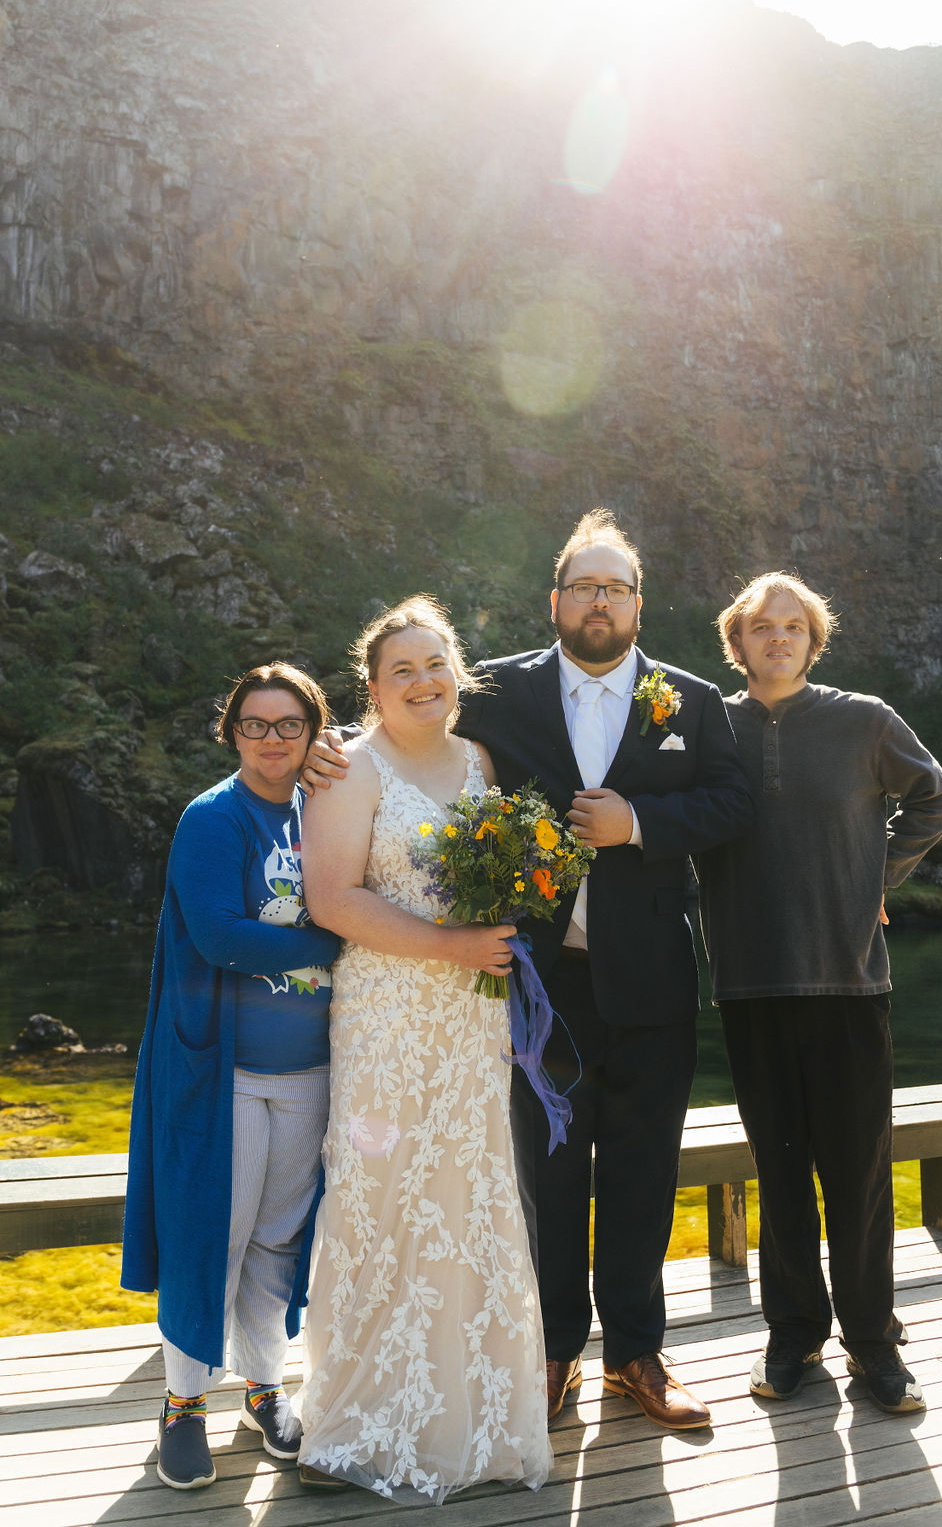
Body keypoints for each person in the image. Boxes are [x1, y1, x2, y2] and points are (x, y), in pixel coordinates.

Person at [305, 512, 753, 1430]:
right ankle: (552, 1352)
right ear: (556, 601)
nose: (599, 601)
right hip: (534, 982)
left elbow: (733, 802)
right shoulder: (500, 690)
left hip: (653, 978)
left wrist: (641, 824)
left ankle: (637, 1353)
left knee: (643, 1168)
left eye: (615, 587)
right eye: (584, 587)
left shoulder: (692, 698)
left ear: (638, 603)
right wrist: (330, 747)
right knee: (547, 1172)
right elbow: (411, 724)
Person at [292, 595, 551, 1503]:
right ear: (371, 687)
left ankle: (469, 1419)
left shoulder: (481, 762)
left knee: (465, 1190)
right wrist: (451, 946)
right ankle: (353, 1421)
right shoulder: (348, 769)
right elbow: (333, 899)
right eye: (400, 669)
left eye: (435, 663)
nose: (422, 680)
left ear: (459, 674)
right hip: (390, 1018)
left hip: (471, 1017)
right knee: (380, 1193)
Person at [694, 572, 942, 1415]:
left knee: (858, 1174)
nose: (778, 638)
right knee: (780, 1173)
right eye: (761, 626)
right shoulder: (708, 728)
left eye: (794, 626)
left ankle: (873, 1343)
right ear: (737, 642)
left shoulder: (865, 720)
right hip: (749, 981)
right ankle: (793, 1335)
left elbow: (937, 797)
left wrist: (876, 874)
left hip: (848, 979)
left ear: (814, 640)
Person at [121, 663, 342, 1491]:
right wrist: (338, 937)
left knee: (280, 1236)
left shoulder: (325, 807)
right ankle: (183, 1403)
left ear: (314, 732)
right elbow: (220, 937)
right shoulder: (214, 817)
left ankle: (263, 1387)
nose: (273, 738)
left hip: (311, 1068)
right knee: (213, 1233)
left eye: (290, 724)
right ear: (233, 731)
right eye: (255, 723)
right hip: (227, 1072)